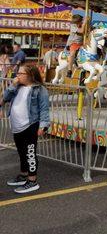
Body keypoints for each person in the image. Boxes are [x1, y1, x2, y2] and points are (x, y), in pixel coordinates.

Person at [0, 64, 50, 193]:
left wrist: (43, 125)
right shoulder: (17, 87)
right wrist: (13, 84)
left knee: (30, 154)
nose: (18, 76)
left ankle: (32, 181)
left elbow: (44, 109)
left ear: (30, 75)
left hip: (30, 125)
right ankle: (23, 175)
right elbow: (5, 98)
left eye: (21, 74)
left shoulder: (39, 89)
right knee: (21, 152)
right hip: (17, 126)